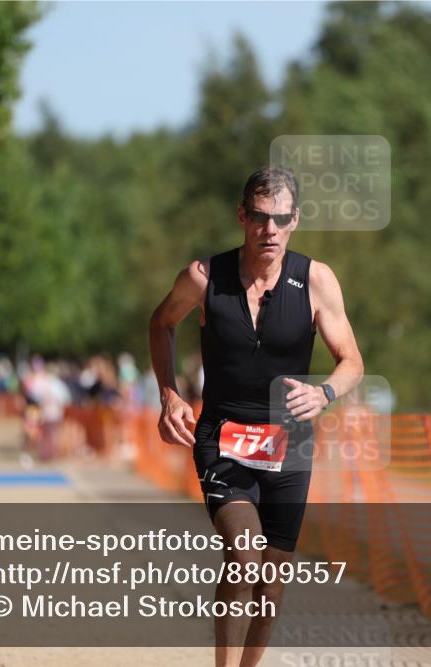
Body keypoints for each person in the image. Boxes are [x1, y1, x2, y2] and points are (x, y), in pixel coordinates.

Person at [149, 166, 364, 667]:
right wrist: (169, 394)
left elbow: (352, 361)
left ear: (295, 221)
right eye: (261, 218)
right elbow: (161, 323)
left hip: (290, 445)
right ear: (243, 217)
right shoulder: (203, 278)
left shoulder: (316, 280)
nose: (270, 230)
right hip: (223, 439)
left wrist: (325, 392)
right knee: (242, 553)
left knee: (271, 580)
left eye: (281, 218)